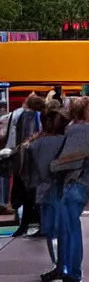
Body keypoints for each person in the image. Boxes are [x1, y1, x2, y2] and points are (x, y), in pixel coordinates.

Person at [54, 97, 89, 282]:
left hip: (71, 183)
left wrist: (55, 167)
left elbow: (68, 158)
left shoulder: (72, 129)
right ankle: (73, 272)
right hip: (83, 183)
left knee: (68, 231)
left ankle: (70, 272)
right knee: (73, 230)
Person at [27, 109, 70, 282]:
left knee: (50, 231)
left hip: (44, 189)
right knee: (65, 229)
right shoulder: (67, 142)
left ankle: (57, 265)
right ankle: (65, 265)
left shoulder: (35, 145)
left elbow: (30, 171)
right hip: (64, 188)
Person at [11, 94, 46, 237]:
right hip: (33, 161)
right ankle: (34, 224)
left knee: (27, 195)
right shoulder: (35, 116)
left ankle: (25, 225)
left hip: (24, 160)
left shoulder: (24, 116)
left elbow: (24, 139)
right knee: (33, 194)